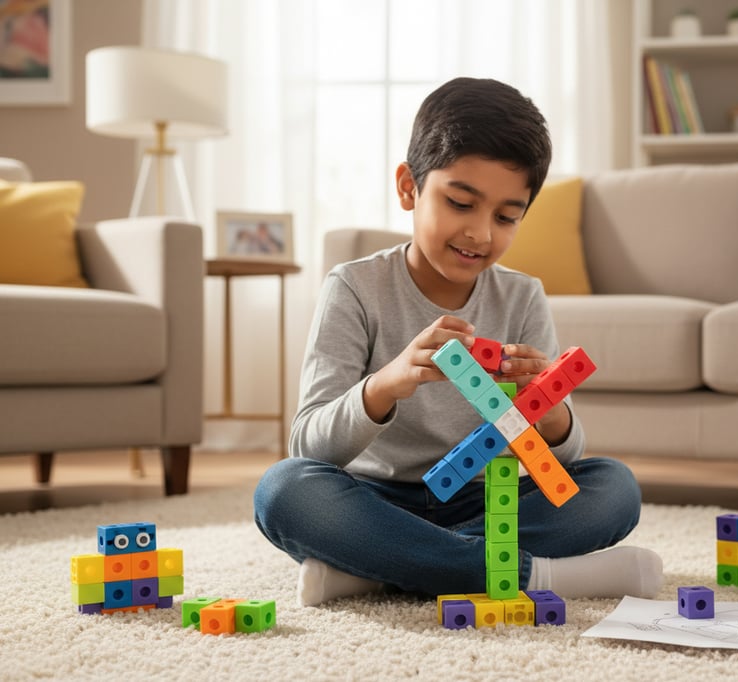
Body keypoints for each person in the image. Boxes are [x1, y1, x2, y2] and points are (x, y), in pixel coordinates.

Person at [253, 77, 663, 607]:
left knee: (614, 487)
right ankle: (535, 576)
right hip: (377, 500)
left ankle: (384, 572)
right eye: (460, 203)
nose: (480, 233)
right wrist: (387, 384)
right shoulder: (354, 287)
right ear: (409, 187)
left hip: (487, 501)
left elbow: (560, 463)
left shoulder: (522, 296)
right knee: (284, 490)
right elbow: (309, 446)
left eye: (506, 216)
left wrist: (548, 412)